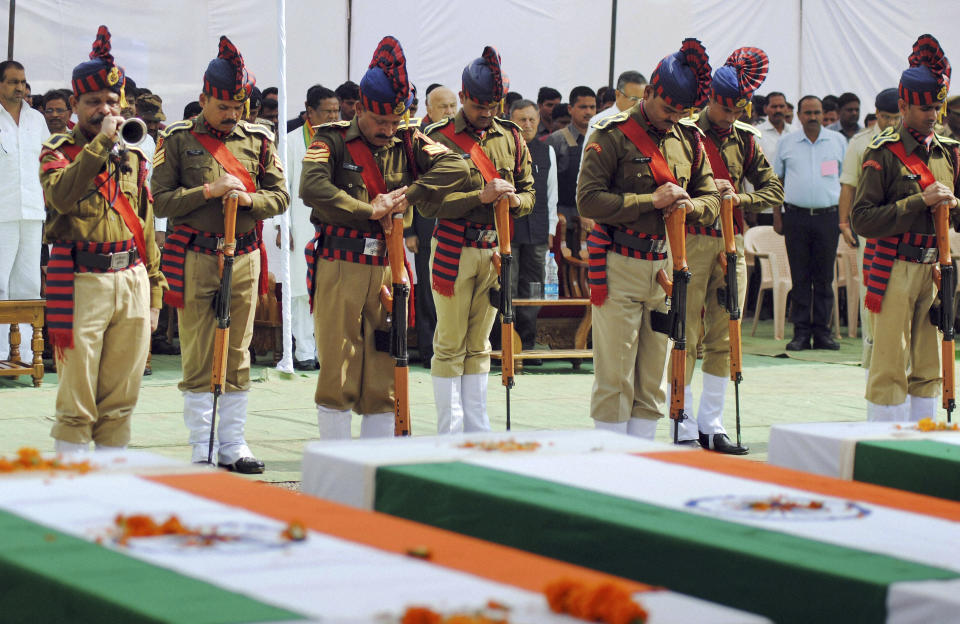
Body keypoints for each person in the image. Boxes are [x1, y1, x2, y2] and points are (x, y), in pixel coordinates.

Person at [300, 37, 467, 439]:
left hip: (388, 267)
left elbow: (457, 168)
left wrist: (409, 194)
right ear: (360, 108)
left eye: (396, 122)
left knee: (382, 363)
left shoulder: (408, 139)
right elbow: (312, 186)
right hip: (342, 263)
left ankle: (375, 458)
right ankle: (337, 458)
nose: (389, 130)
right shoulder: (331, 139)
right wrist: (367, 210)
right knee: (339, 363)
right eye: (381, 122)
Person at [152, 36, 289, 473]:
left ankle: (233, 442)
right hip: (196, 254)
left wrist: (250, 201)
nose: (232, 116)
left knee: (238, 348)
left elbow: (281, 196)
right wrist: (208, 191)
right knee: (197, 348)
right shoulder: (176, 140)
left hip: (245, 255)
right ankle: (202, 445)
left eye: (238, 108)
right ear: (203, 98)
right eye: (223, 107)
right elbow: (160, 201)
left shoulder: (260, 140)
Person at [577, 38, 720, 438]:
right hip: (620, 263)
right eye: (667, 108)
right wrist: (649, 200)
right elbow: (587, 200)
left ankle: (641, 457)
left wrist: (691, 207)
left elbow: (710, 194)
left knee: (654, 373)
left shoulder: (689, 137)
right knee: (614, 372)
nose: (672, 117)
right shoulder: (613, 132)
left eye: (681, 111)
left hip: (667, 267)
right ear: (651, 92)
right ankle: (608, 461)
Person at [39, 25, 165, 453]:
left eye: (112, 101)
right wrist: (100, 146)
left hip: (131, 279)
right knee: (76, 402)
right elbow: (61, 195)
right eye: (94, 102)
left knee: (121, 400)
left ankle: (110, 489)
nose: (104, 109)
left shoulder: (133, 156)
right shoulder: (57, 151)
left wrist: (154, 296)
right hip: (82, 283)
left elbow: (145, 226)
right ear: (75, 105)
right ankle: (71, 492)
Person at [676, 47, 783, 453]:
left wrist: (739, 198)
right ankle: (681, 419)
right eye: (725, 107)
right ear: (710, 100)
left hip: (730, 242)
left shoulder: (747, 140)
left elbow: (774, 189)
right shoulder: (684, 134)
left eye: (738, 108)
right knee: (683, 333)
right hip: (688, 238)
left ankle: (712, 423)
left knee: (726, 334)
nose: (731, 115)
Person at [424, 46, 535, 434]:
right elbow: (427, 202)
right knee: (450, 343)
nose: (486, 114)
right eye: (478, 106)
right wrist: (479, 197)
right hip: (453, 247)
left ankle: (477, 426)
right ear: (464, 96)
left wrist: (516, 200)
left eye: (492, 107)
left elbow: (530, 191)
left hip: (493, 250)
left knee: (481, 343)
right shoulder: (437, 137)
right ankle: (449, 430)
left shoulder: (511, 136)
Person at [852, 34, 960, 422]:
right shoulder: (882, 152)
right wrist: (920, 201)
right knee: (889, 360)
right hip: (894, 266)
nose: (932, 115)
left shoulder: (949, 152)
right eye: (923, 108)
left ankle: (922, 433)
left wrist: (952, 204)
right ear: (902, 106)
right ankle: (882, 440)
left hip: (934, 267)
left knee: (930, 360)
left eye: (936, 107)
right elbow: (862, 220)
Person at [774, 95, 846, 351]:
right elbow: (776, 182)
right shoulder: (786, 143)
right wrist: (777, 215)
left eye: (817, 112)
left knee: (825, 278)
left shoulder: (837, 142)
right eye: (808, 113)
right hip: (796, 217)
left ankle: (823, 333)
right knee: (800, 278)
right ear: (799, 115)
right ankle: (801, 334)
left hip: (829, 217)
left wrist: (844, 219)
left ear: (823, 113)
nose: (813, 117)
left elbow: (847, 182)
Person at [838, 88, 900, 369]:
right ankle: (871, 357)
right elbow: (848, 185)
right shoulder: (861, 143)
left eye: (896, 117)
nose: (891, 123)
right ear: (876, 114)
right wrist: (843, 223)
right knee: (871, 294)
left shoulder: (911, 142)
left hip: (904, 229)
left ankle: (901, 358)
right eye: (886, 117)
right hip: (871, 230)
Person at [283, 84, 339, 370]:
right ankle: (305, 350)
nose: (333, 116)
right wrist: (282, 226)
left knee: (330, 289)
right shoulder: (292, 141)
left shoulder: (343, 139)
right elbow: (282, 187)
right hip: (301, 223)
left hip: (336, 225)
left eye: (336, 110)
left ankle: (326, 350)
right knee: (301, 290)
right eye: (327, 111)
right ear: (310, 111)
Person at [0, 59, 47, 366]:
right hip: (1, 213)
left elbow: (48, 162)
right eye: (12, 81)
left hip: (32, 212)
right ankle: (1, 354)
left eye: (22, 81)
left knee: (28, 284)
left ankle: (27, 356)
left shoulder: (36, 119)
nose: (19, 87)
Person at [510, 99, 558, 357]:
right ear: (511, 122)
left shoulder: (546, 151)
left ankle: (527, 345)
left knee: (534, 287)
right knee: (509, 286)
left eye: (532, 120)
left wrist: (550, 230)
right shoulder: (504, 148)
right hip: (510, 230)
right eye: (521, 120)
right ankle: (507, 343)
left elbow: (552, 194)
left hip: (538, 232)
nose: (527, 125)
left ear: (539, 121)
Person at [546, 86, 595, 252]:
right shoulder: (557, 140)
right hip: (563, 222)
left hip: (594, 223)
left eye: (592, 107)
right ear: (570, 109)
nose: (588, 112)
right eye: (583, 107)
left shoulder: (602, 138)